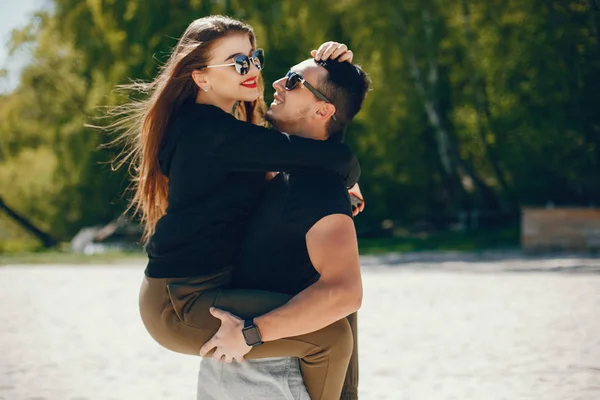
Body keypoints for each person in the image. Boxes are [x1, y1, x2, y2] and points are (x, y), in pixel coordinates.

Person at [111, 15, 362, 400]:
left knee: (331, 323)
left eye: (254, 58)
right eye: (237, 62)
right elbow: (326, 155)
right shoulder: (209, 132)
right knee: (330, 336)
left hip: (189, 290)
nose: (256, 72)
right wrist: (349, 179)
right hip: (180, 301)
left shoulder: (225, 129)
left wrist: (335, 66)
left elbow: (300, 138)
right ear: (201, 77)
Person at [196, 57, 370, 400]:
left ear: (322, 111)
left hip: (272, 369)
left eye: (292, 81)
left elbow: (345, 291)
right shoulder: (289, 170)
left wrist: (252, 333)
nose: (277, 83)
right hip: (242, 360)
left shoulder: (319, 186)